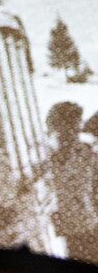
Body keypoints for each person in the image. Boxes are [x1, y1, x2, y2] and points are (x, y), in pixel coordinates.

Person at [46, 101, 98, 263]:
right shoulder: (46, 157)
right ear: (56, 127)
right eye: (66, 126)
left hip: (90, 225)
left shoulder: (88, 155)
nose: (72, 131)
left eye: (75, 125)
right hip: (67, 229)